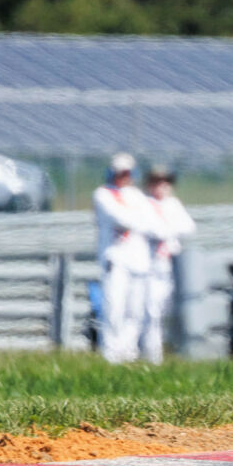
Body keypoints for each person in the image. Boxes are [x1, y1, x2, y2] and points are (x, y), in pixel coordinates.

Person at [92, 152, 156, 363]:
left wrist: (137, 220)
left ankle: (128, 352)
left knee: (135, 310)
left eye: (127, 172)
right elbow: (119, 218)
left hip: (138, 260)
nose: (123, 176)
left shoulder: (136, 196)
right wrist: (138, 219)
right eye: (120, 172)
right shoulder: (103, 194)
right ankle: (111, 353)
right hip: (116, 259)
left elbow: (152, 223)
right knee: (114, 309)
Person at [141, 164, 193, 364]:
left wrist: (168, 229)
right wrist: (169, 229)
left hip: (172, 264)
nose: (161, 186)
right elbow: (153, 230)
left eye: (165, 182)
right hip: (151, 265)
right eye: (156, 182)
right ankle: (152, 355)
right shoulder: (145, 204)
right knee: (152, 311)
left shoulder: (173, 204)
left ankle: (171, 350)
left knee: (170, 310)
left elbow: (188, 227)